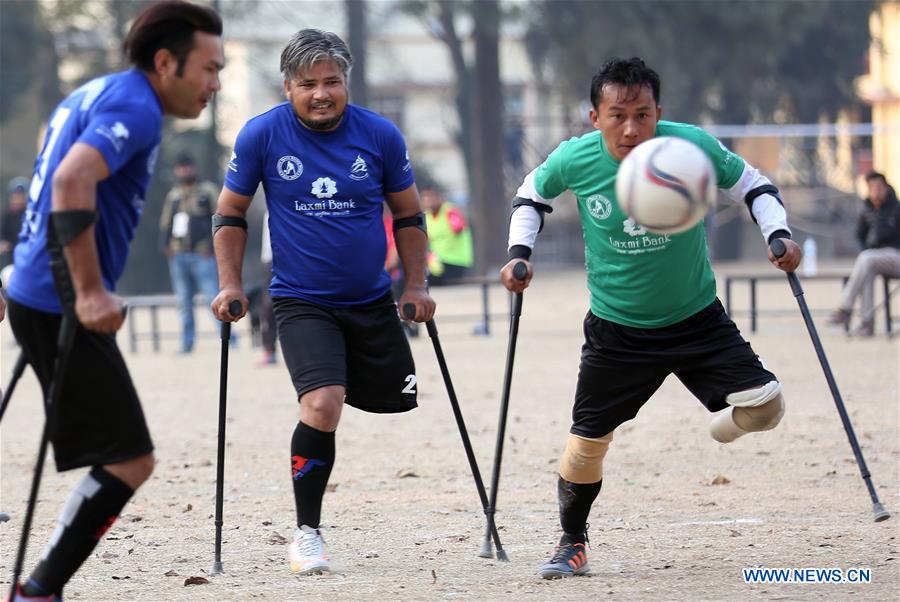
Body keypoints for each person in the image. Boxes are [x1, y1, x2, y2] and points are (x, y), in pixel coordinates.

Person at [501, 57, 802, 580]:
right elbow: (532, 195)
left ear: (659, 112)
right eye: (617, 115)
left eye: (643, 114)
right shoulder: (574, 157)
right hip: (617, 330)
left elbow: (753, 185)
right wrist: (519, 250)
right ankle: (572, 541)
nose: (632, 128)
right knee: (584, 449)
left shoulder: (690, 147)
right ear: (595, 117)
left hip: (697, 321)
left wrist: (777, 235)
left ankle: (718, 427)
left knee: (767, 407)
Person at [4, 2, 223, 599]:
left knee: (125, 454)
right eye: (207, 69)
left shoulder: (96, 91)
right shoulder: (136, 108)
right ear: (165, 62)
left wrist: (16, 271)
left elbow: (49, 179)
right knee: (130, 458)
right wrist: (91, 290)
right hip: (60, 300)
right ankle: (38, 590)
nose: (214, 84)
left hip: (40, 289)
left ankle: (38, 587)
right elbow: (70, 182)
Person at [210, 29, 434, 576]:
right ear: (288, 86)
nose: (321, 93)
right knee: (323, 404)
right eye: (308, 83)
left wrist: (416, 285)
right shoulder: (261, 135)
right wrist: (230, 283)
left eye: (331, 81)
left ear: (346, 82)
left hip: (370, 301)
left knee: (391, 402)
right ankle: (307, 532)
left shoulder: (379, 135)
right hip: (300, 300)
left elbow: (408, 215)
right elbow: (229, 214)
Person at [158, 154, 221, 353]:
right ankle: (187, 342)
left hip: (203, 253)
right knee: (183, 301)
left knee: (214, 297)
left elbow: (220, 219)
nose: (184, 172)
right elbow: (166, 223)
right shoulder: (174, 195)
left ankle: (228, 339)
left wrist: (212, 247)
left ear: (194, 168)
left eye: (187, 167)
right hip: (178, 255)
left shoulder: (208, 191)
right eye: (180, 168)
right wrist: (165, 245)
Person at [827, 171, 900, 336]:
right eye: (872, 187)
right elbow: (860, 235)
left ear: (886, 187)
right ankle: (867, 324)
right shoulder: (866, 210)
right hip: (876, 257)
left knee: (866, 259)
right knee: (867, 267)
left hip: (896, 255)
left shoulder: (896, 208)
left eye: (879, 187)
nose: (876, 190)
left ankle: (845, 308)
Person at [421, 185, 473, 285]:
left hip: (455, 261)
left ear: (440, 198)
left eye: (431, 197)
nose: (428, 200)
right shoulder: (427, 216)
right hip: (438, 263)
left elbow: (458, 227)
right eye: (425, 197)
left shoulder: (450, 211)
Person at [1, 177, 29, 268]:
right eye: (15, 196)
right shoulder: (7, 214)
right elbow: (3, 234)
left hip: (26, 251)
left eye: (21, 196)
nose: (18, 199)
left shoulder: (29, 214)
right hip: (11, 254)